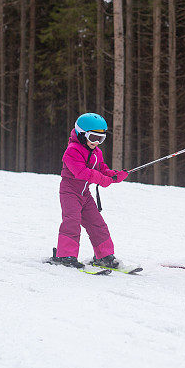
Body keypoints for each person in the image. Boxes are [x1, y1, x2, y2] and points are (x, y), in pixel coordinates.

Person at [53, 113, 128, 269]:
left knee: (97, 224)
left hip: (84, 194)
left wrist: (114, 175)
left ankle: (104, 256)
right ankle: (66, 255)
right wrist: (102, 179)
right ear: (81, 134)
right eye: (93, 138)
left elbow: (102, 169)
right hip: (70, 192)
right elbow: (81, 172)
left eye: (101, 139)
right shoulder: (72, 151)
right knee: (71, 222)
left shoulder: (96, 152)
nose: (97, 142)